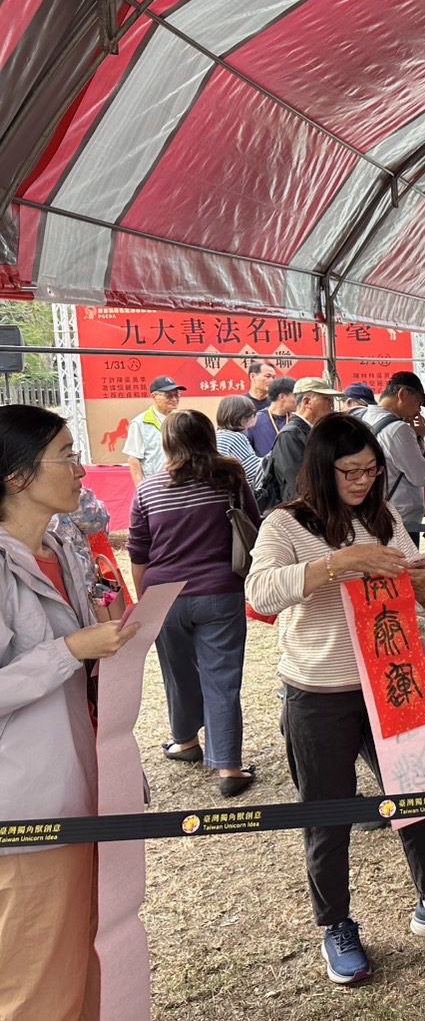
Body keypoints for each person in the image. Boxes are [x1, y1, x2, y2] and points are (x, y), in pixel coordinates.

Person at [246, 414, 425, 985]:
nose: (361, 481)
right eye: (349, 471)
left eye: (371, 471)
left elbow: (421, 595)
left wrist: (422, 583)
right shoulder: (285, 523)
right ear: (320, 469)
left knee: (419, 796)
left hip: (390, 679)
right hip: (319, 692)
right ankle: (336, 924)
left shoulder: (384, 518)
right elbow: (260, 593)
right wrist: (339, 563)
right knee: (328, 814)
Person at [0, 405, 137, 1020]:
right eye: (66, 456)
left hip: (88, 785)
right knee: (36, 984)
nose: (82, 469)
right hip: (27, 808)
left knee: (90, 961)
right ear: (17, 477)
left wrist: (107, 634)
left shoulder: (61, 544)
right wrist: (71, 649)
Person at [128, 410, 259, 795]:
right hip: (220, 590)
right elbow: (253, 524)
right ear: (208, 438)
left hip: (163, 594)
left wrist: (145, 601)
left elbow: (138, 552)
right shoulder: (229, 479)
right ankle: (229, 768)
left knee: (177, 673)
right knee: (222, 678)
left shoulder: (148, 490)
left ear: (168, 443)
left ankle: (185, 741)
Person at [362, 372, 425, 540]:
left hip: (375, 514)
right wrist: (420, 438)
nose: (418, 410)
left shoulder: (365, 417)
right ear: (403, 394)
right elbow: (421, 477)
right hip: (401, 521)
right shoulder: (399, 429)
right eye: (418, 402)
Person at [256, 377, 343, 512]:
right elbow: (298, 485)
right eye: (327, 400)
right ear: (307, 402)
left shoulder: (312, 431)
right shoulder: (290, 435)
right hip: (302, 513)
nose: (332, 406)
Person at [123, 375, 186, 483]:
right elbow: (134, 459)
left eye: (177, 395)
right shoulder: (140, 423)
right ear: (154, 396)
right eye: (169, 395)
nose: (174, 399)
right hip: (155, 484)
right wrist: (140, 488)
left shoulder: (182, 420)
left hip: (181, 482)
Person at [216, 395, 265, 492]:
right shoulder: (235, 439)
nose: (255, 416)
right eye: (252, 413)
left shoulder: (218, 435)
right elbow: (255, 472)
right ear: (242, 417)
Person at [248, 375, 298, 456]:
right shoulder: (255, 421)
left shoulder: (297, 420)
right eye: (295, 396)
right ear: (282, 397)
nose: (299, 400)